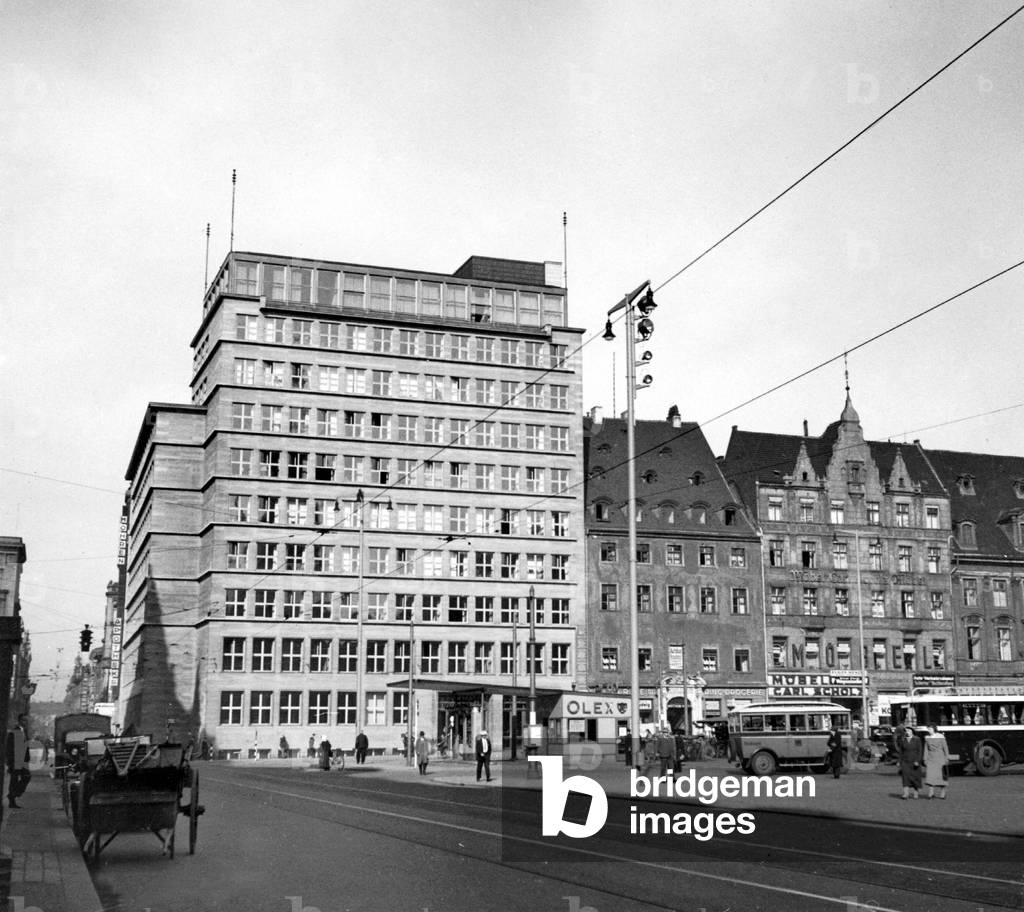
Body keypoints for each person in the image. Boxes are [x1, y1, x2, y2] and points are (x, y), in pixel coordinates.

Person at [6, 714, 30, 808]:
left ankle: (13, 794)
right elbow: (10, 748)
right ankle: (12, 800)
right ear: (19, 721)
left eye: (27, 721)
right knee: (14, 780)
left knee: (26, 777)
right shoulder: (14, 732)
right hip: (15, 760)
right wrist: (10, 762)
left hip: (23, 761)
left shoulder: (24, 731)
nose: (26, 722)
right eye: (24, 720)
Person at [923, 726, 950, 799]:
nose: (929, 730)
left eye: (930, 729)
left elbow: (945, 747)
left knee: (941, 777)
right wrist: (925, 759)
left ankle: (943, 793)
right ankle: (931, 792)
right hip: (931, 759)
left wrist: (947, 757)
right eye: (928, 729)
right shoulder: (927, 738)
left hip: (940, 758)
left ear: (934, 729)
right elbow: (926, 749)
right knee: (930, 776)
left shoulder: (941, 737)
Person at [899, 727, 924, 799]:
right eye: (906, 731)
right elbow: (901, 752)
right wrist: (899, 761)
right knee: (905, 777)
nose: (907, 732)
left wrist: (918, 761)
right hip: (905, 762)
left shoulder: (917, 739)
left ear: (912, 731)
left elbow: (920, 751)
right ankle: (905, 794)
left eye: (909, 730)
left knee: (915, 778)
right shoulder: (903, 740)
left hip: (915, 761)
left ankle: (916, 793)